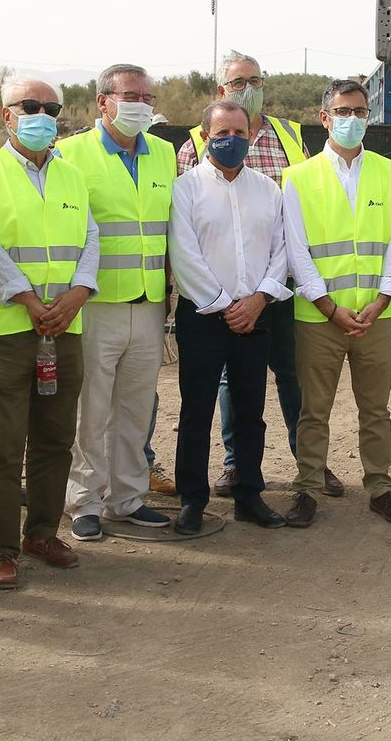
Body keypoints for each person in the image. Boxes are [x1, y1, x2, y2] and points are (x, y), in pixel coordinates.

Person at [0, 76, 99, 590]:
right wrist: (27, 300)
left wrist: (78, 293)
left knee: (56, 438)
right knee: (0, 445)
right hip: (4, 330)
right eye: (31, 106)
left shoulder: (72, 176)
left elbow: (91, 240)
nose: (43, 115)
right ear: (6, 115)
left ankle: (42, 532)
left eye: (52, 107)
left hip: (65, 326)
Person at [177, 50, 336, 497]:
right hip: (214, 302)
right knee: (218, 393)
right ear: (219, 93)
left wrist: (262, 295)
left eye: (254, 80)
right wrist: (225, 302)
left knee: (289, 376)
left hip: (273, 290)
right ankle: (230, 469)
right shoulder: (191, 148)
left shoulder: (288, 136)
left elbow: (296, 218)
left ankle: (309, 466)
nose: (247, 88)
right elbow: (188, 234)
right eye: (236, 83)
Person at [280, 80, 391, 528]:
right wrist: (328, 305)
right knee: (313, 410)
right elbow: (296, 249)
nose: (352, 120)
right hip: (320, 317)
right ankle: (307, 489)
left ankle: (380, 487)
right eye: (343, 111)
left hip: (377, 316)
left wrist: (382, 299)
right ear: (324, 118)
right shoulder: (298, 177)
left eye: (359, 112)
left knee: (376, 409)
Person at [58, 63, 175, 541]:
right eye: (130, 96)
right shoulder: (69, 156)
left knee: (135, 407)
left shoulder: (165, 154)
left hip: (149, 304)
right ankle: (83, 500)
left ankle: (126, 497)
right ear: (103, 101)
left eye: (147, 97)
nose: (140, 105)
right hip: (95, 304)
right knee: (92, 408)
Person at [170, 100, 292, 533]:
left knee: (250, 410)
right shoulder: (184, 190)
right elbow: (184, 257)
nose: (232, 141)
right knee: (196, 410)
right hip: (204, 317)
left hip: (256, 316)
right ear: (205, 136)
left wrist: (259, 299)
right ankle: (193, 500)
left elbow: (282, 251)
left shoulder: (268, 190)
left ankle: (248, 494)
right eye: (223, 133)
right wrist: (225, 304)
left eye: (241, 134)